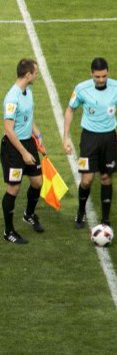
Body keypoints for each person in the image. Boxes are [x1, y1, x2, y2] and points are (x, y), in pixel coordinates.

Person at [63, 57, 117, 229]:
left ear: (108, 72)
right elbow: (70, 110)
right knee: (86, 180)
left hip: (109, 138)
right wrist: (65, 138)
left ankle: (106, 219)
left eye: (103, 76)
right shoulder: (81, 89)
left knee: (106, 178)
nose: (101, 80)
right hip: (89, 139)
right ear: (91, 74)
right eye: (97, 77)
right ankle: (81, 211)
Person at [2, 59, 43, 244]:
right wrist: (23, 153)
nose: (37, 75)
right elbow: (8, 130)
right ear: (27, 75)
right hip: (13, 148)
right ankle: (8, 231)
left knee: (37, 182)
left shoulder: (29, 92)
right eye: (35, 72)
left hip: (29, 143)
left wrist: (39, 137)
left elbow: (29, 117)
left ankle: (28, 214)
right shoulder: (12, 98)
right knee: (14, 188)